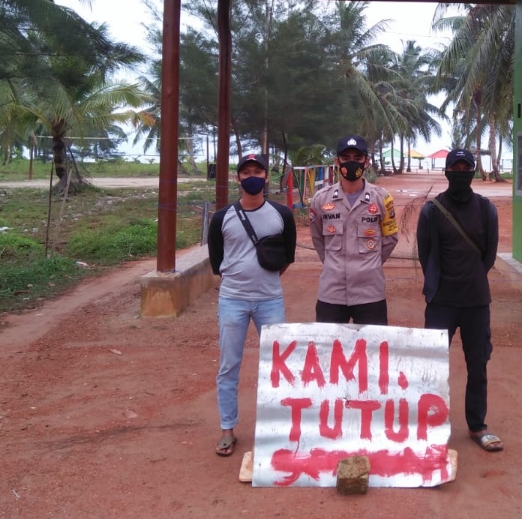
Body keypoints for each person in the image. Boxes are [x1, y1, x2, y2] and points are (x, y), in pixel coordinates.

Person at [207, 153, 296, 457]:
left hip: (270, 301)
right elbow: (217, 261)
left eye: (258, 172)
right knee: (228, 366)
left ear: (267, 177)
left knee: (279, 367)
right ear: (238, 179)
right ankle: (227, 430)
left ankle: (277, 430)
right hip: (232, 300)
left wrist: (265, 280)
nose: (253, 177)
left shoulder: (281, 215)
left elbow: (288, 256)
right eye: (247, 173)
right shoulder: (222, 218)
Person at [416, 148, 502, 452]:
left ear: (473, 172)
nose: (461, 173)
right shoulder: (432, 210)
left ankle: (477, 426)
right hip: (441, 302)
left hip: (476, 302)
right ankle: (429, 425)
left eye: (467, 168)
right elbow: (425, 254)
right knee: (432, 366)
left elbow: (489, 254)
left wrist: (473, 278)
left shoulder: (486, 209)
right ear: (447, 171)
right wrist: (438, 285)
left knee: (478, 365)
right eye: (456, 168)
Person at [309, 134, 398, 324]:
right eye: (346, 158)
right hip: (331, 292)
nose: (352, 163)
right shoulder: (321, 199)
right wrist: (333, 264)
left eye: (357, 158)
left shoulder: (382, 198)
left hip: (370, 293)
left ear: (366, 162)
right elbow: (317, 238)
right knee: (328, 343)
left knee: (372, 343)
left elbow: (390, 238)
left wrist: (371, 264)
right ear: (337, 161)